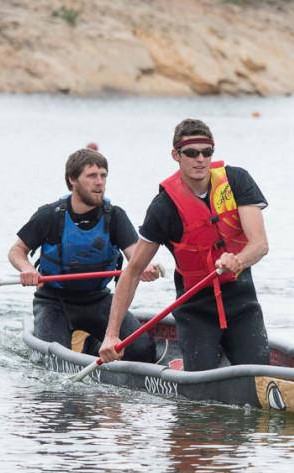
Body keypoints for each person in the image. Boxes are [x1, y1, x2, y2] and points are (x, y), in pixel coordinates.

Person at [99, 118, 271, 371]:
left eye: (206, 152)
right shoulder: (163, 208)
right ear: (176, 155)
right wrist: (112, 335)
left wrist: (239, 260)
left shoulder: (237, 181)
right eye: (191, 153)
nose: (200, 159)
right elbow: (133, 271)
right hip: (196, 311)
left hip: (242, 304)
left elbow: (260, 243)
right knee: (201, 393)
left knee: (260, 376)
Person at [8, 148, 162, 362]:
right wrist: (27, 269)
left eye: (103, 175)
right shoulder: (49, 216)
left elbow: (135, 257)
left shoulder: (115, 216)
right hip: (54, 301)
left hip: (97, 299)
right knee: (55, 361)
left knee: (143, 351)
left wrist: (144, 266)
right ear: (73, 179)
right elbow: (17, 251)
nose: (99, 182)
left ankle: (91, 345)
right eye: (91, 176)